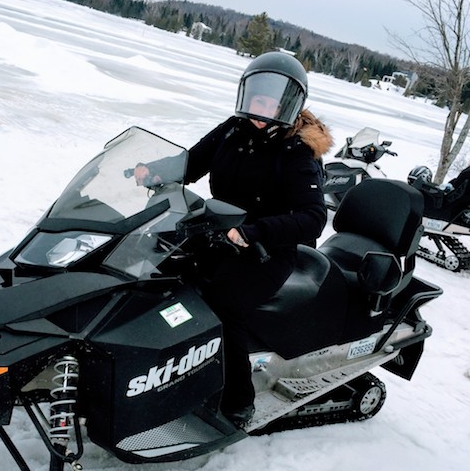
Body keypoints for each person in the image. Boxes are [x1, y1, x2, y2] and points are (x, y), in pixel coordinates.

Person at [135, 52, 333, 427]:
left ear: (289, 104)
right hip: (213, 234)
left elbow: (312, 218)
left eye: (271, 102)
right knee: (155, 273)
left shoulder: (297, 153)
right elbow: (190, 163)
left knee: (222, 305)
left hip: (264, 251)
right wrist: (152, 171)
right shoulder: (232, 129)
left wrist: (254, 231)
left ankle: (237, 399)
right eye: (257, 99)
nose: (262, 110)